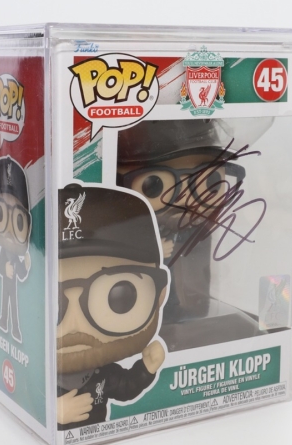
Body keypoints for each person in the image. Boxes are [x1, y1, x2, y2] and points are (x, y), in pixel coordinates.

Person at [56, 183, 168, 429]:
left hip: (99, 439)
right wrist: (52, 411)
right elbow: (20, 389)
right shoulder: (42, 375)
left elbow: (125, 388)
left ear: (160, 295)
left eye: (119, 297)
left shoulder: (101, 373)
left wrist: (146, 369)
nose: (74, 325)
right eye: (53, 304)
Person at [117, 119, 245, 322]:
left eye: (211, 180)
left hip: (186, 303)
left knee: (175, 288)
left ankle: (173, 309)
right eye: (154, 185)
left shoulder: (196, 225)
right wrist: (152, 249)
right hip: (131, 305)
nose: (186, 198)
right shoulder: (129, 221)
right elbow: (114, 246)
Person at [0, 156, 31, 343]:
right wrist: (3, 268)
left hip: (12, 283)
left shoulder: (15, 253)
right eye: (0, 213)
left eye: (17, 220)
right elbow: (0, 266)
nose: (8, 232)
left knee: (13, 303)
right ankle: (2, 321)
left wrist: (26, 266)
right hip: (7, 281)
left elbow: (22, 274)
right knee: (4, 300)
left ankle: (15, 328)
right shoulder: (3, 252)